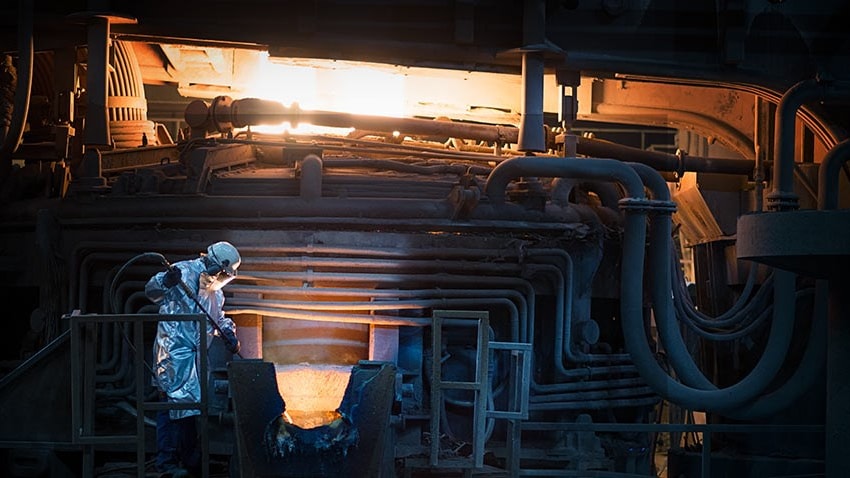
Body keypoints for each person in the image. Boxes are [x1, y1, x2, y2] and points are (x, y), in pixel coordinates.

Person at [145, 241, 242, 477]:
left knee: (191, 409)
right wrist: (164, 282)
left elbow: (217, 317)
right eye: (224, 274)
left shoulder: (214, 293)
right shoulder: (182, 272)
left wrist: (229, 332)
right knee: (171, 406)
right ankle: (167, 463)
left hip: (195, 357)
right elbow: (152, 291)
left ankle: (188, 461)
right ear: (217, 268)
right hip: (172, 354)